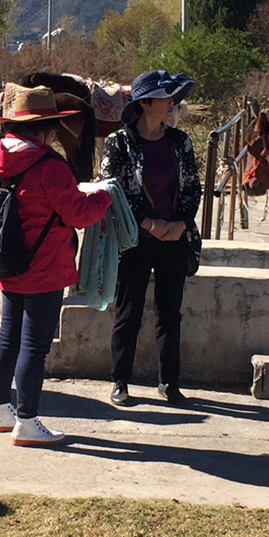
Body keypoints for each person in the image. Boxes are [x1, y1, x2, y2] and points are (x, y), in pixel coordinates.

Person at [0, 84, 113, 448]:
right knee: (34, 346)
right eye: (53, 125)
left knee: (8, 337)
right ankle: (27, 419)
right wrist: (103, 196)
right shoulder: (50, 165)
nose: (56, 132)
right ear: (43, 128)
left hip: (7, 258)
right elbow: (79, 214)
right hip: (45, 264)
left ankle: (0, 409)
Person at [99, 69, 201, 407]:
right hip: (135, 239)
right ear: (145, 103)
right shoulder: (119, 143)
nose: (171, 102)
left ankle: (169, 383)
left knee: (170, 312)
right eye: (164, 97)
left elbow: (192, 187)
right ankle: (120, 381)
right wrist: (147, 223)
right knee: (128, 310)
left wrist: (181, 223)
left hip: (174, 236)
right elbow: (112, 190)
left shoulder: (179, 141)